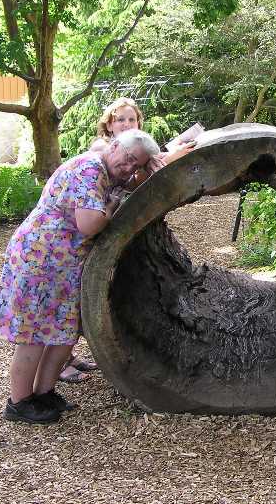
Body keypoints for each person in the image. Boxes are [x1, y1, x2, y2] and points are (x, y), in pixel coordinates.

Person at [0, 129, 161, 424]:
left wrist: (146, 171)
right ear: (114, 145)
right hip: (40, 260)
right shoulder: (90, 169)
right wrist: (109, 208)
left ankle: (43, 393)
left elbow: (134, 186)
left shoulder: (109, 173)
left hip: (63, 264)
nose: (129, 167)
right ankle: (19, 402)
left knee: (63, 334)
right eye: (128, 159)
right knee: (34, 335)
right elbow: (89, 224)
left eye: (137, 165)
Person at [58, 97, 198, 383]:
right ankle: (61, 361)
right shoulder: (101, 149)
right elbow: (126, 182)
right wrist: (169, 159)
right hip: (84, 230)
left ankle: (66, 356)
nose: (125, 123)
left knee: (77, 298)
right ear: (109, 125)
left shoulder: (133, 152)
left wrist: (154, 162)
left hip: (100, 228)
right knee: (72, 297)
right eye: (119, 119)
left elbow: (134, 181)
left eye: (131, 120)